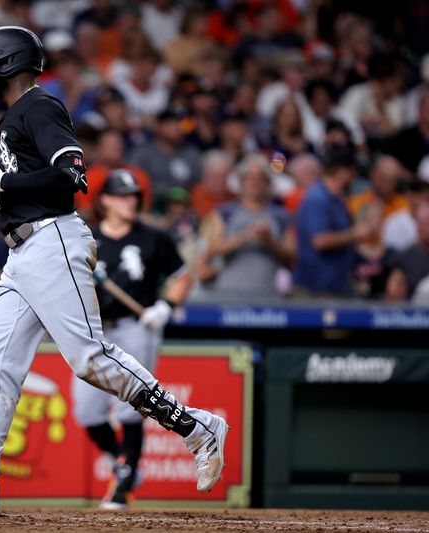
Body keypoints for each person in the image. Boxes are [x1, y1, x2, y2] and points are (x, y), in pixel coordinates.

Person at [0, 26, 227, 518]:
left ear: (6, 62)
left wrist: (6, 181)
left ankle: (196, 427)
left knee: (88, 359)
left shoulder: (40, 106)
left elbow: (73, 176)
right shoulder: (10, 117)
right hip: (23, 249)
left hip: (54, 241)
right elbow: (37, 189)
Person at [73, 169, 194, 509]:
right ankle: (122, 463)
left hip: (136, 325)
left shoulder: (153, 238)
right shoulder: (87, 237)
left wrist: (165, 306)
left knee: (132, 407)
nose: (131, 202)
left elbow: (183, 276)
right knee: (87, 411)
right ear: (105, 201)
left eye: (135, 196)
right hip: (94, 329)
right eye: (123, 196)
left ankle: (123, 487)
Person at [202, 154, 296, 297]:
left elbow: (292, 258)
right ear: (241, 181)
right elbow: (214, 248)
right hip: (229, 291)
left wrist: (269, 241)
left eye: (260, 178)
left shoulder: (281, 216)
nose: (255, 183)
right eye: (250, 178)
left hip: (268, 291)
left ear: (267, 182)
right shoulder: (224, 212)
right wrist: (244, 236)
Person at [293, 146, 376, 296]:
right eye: (353, 172)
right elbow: (319, 241)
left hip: (335, 286)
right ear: (343, 172)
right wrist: (355, 234)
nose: (355, 178)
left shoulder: (337, 199)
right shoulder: (317, 198)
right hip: (313, 290)